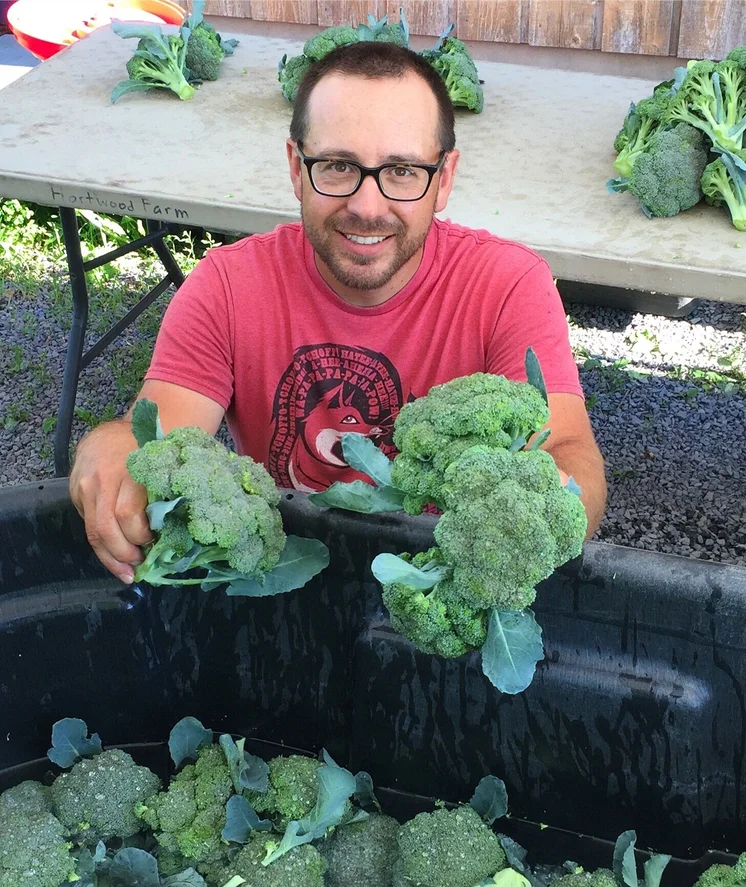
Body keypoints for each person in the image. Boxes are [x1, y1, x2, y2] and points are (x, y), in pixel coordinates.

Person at [70, 41, 606, 585]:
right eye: (337, 165)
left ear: (443, 179)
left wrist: (531, 519)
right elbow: (156, 442)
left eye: (401, 170)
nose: (367, 206)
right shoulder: (228, 287)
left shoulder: (507, 286)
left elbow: (568, 453)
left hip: (440, 579)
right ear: (296, 169)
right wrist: (109, 448)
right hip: (285, 577)